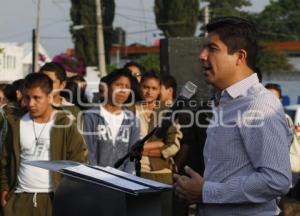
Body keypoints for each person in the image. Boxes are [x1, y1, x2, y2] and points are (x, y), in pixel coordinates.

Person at [174, 16, 292, 215]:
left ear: (240, 56)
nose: (202, 56)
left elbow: (277, 180)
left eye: (212, 48)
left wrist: (206, 191)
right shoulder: (224, 102)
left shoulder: (258, 105)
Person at [0, 73, 87, 216]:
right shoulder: (14, 123)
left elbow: (79, 161)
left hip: (54, 200)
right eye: (27, 97)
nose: (31, 103)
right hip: (19, 199)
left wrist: (70, 196)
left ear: (49, 97)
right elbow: (5, 160)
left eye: (37, 98)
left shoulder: (65, 123)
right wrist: (4, 191)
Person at [82, 68, 139, 173]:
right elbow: (88, 152)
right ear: (107, 87)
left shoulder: (132, 120)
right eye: (118, 85)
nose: (123, 90)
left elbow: (133, 155)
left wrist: (125, 179)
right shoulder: (91, 116)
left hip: (123, 182)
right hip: (97, 180)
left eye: (127, 87)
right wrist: (97, 176)